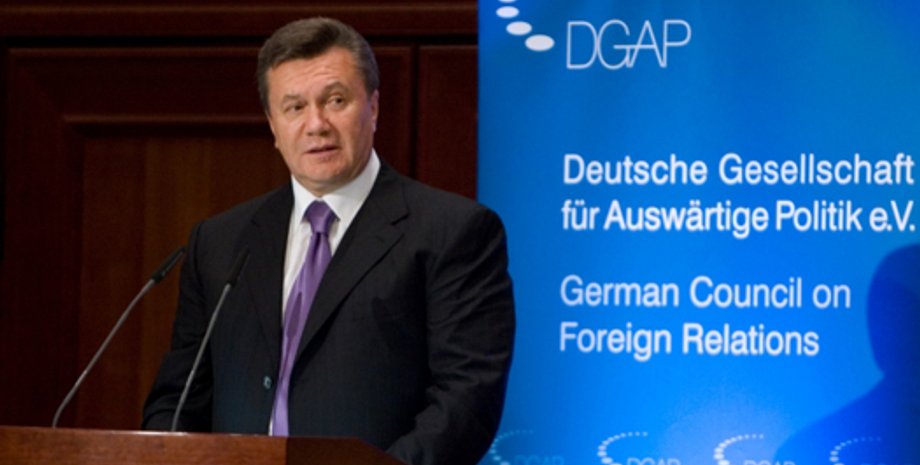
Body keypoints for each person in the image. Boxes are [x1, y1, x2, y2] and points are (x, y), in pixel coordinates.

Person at [142, 17, 516, 465]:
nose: (316, 124)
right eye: (294, 107)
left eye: (335, 101)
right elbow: (178, 400)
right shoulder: (221, 242)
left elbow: (465, 403)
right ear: (273, 125)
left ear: (373, 107)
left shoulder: (452, 232)